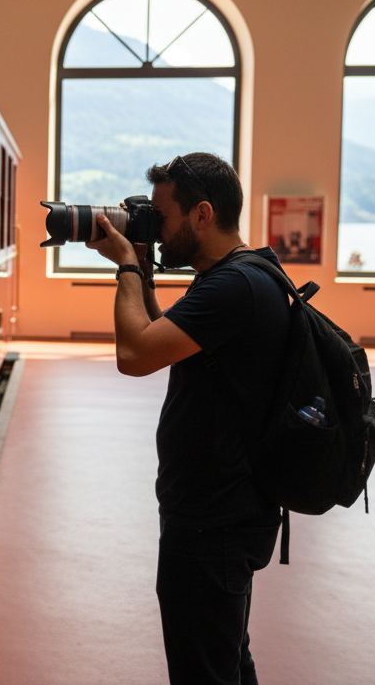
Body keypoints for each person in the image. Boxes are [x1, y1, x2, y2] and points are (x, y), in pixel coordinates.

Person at [85, 152, 289, 685]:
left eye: (162, 216)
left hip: (212, 518)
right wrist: (138, 268)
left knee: (204, 672)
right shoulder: (238, 275)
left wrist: (129, 264)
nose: (154, 228)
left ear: (202, 214)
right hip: (222, 511)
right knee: (225, 661)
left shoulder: (233, 287)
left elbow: (134, 356)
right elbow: (163, 336)